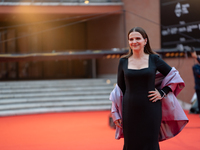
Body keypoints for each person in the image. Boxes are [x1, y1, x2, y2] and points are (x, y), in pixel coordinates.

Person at [109, 27, 188, 150]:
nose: (134, 41)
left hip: (151, 109)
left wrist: (162, 92)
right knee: (131, 145)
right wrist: (115, 112)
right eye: (131, 39)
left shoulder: (154, 59)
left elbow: (174, 75)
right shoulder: (123, 61)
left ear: (145, 41)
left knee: (151, 144)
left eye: (138, 38)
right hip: (129, 110)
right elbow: (119, 90)